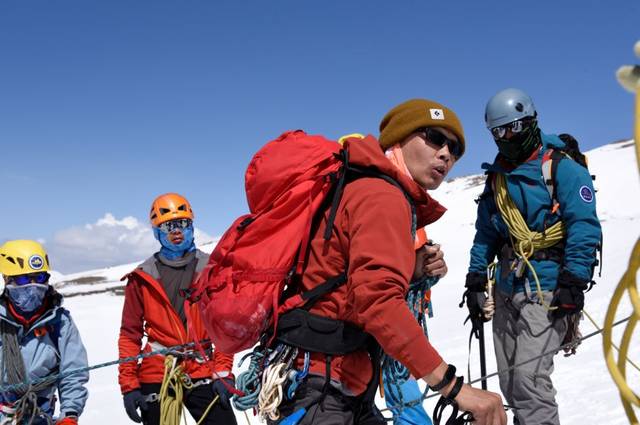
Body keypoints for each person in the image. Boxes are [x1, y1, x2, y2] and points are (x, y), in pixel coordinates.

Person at [273, 99, 506, 425]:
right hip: (320, 388)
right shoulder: (383, 195)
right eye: (435, 138)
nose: (446, 154)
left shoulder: (368, 186)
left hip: (334, 380)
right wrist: (454, 388)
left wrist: (411, 268)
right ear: (399, 136)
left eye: (454, 149)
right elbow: (377, 301)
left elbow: (345, 279)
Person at [464, 88, 602, 425]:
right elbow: (487, 232)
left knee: (530, 379)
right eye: (498, 131)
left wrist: (574, 282)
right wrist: (476, 278)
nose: (506, 137)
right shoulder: (497, 179)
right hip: (508, 286)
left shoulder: (562, 170)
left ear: (531, 122)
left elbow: (583, 225)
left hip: (548, 286)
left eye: (513, 128)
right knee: (511, 381)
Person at [117, 193, 237, 425]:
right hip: (158, 370)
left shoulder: (212, 270)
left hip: (203, 367)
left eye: (183, 223)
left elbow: (224, 325)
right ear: (157, 231)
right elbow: (129, 334)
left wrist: (222, 371)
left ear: (192, 225)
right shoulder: (142, 279)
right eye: (168, 225)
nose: (177, 231)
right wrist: (129, 386)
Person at [0, 240, 89, 425]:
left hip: (40, 415)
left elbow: (73, 372)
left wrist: (70, 415)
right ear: (6, 279)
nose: (33, 288)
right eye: (24, 279)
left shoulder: (59, 322)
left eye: (39, 278)